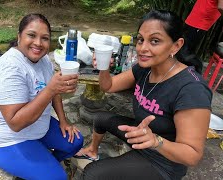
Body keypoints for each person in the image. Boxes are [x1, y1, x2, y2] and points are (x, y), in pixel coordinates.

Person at [75, 10, 212, 180]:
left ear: (176, 46)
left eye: (154, 41)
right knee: (100, 118)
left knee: (91, 174)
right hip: (141, 134)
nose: (142, 48)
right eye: (140, 40)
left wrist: (156, 141)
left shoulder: (191, 88)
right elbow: (108, 86)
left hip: (163, 161)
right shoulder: (145, 68)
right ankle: (92, 151)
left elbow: (192, 155)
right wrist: (103, 67)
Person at [0, 13, 84, 180]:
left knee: (76, 141)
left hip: (38, 127)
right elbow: (15, 123)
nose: (38, 43)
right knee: (58, 178)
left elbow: (55, 92)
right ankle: (43, 169)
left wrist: (64, 121)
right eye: (31, 35)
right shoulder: (10, 68)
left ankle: (44, 165)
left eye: (44, 38)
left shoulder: (44, 60)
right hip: (7, 139)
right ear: (19, 36)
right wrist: (50, 89)